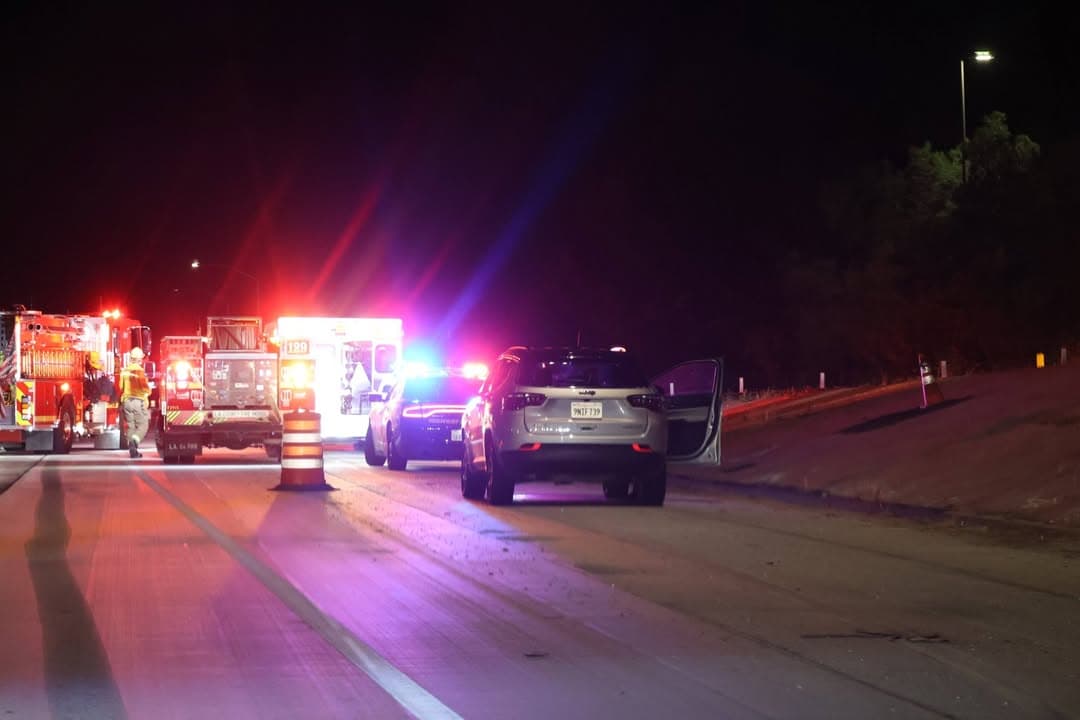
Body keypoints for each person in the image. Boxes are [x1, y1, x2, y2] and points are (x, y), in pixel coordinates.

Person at [119, 346, 151, 458]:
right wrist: (149, 390)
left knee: (131, 426)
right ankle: (134, 442)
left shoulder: (124, 371)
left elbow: (120, 386)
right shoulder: (139, 371)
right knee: (143, 425)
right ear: (138, 359)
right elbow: (145, 388)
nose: (142, 360)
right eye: (141, 358)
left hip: (126, 401)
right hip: (138, 401)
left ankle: (133, 451)